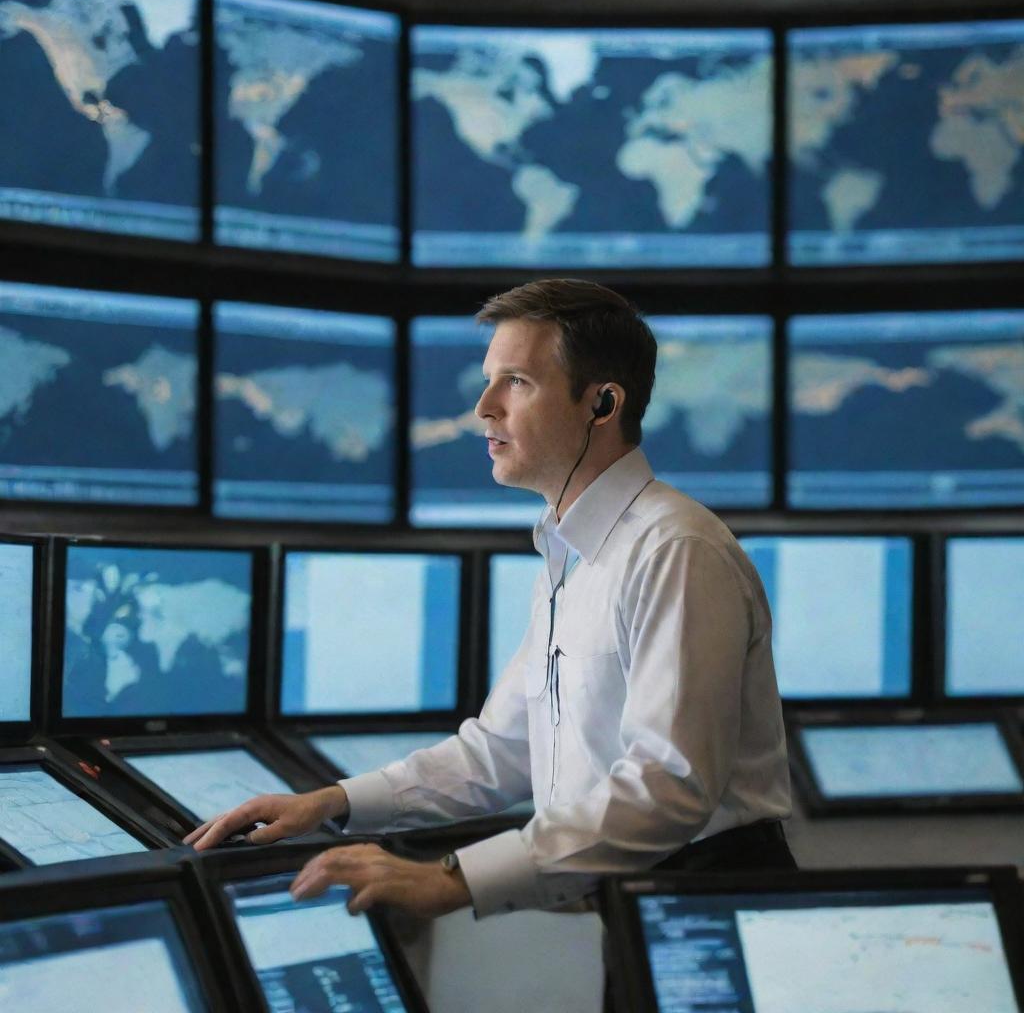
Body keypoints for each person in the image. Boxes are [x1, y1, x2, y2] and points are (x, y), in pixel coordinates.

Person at [186, 278, 794, 922]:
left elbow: (669, 787)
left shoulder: (674, 550)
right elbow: (501, 752)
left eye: (516, 382)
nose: (483, 407)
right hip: (643, 902)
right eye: (488, 380)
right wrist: (333, 802)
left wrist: (454, 879)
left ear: (603, 403)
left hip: (717, 904)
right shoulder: (571, 552)